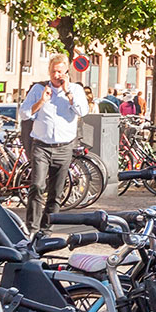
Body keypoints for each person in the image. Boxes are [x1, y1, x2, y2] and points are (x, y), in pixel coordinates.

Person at [18, 55, 91, 228]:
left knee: (56, 192)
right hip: (41, 146)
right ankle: (32, 227)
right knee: (37, 185)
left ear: (66, 72)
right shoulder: (38, 89)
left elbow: (83, 111)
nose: (56, 75)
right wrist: (42, 101)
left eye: (60, 72)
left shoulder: (75, 90)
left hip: (64, 147)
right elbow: (24, 113)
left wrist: (68, 93)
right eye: (53, 72)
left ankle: (46, 228)